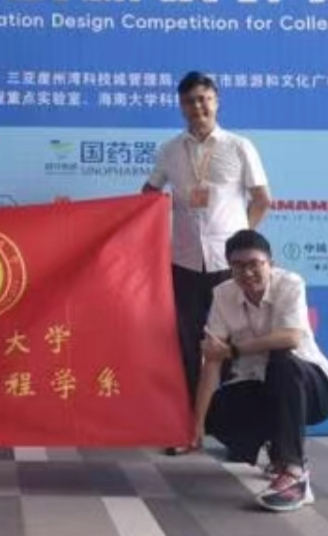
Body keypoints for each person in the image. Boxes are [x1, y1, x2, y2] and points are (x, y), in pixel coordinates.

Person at [141, 71, 270, 453]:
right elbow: (148, 194)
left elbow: (262, 199)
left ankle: (236, 434)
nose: (197, 106)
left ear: (216, 101)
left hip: (228, 269)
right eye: (189, 101)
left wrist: (240, 244)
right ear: (180, 106)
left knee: (233, 350)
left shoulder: (239, 146)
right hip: (183, 263)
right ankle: (188, 431)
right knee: (186, 348)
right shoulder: (170, 150)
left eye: (204, 99)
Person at [190, 229, 328, 512]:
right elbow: (212, 359)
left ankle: (295, 473)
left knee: (282, 361)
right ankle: (276, 446)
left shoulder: (290, 284)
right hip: (262, 385)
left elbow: (290, 338)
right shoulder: (223, 295)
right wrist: (197, 425)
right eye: (238, 266)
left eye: (254, 264)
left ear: (270, 263)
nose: (247, 273)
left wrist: (234, 350)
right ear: (229, 267)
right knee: (215, 410)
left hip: (313, 390)